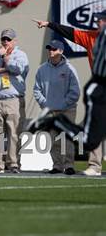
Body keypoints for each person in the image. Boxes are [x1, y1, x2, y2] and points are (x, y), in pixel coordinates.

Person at [31, 10, 106, 176]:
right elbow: (71, 33)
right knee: (96, 128)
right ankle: (95, 165)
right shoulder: (92, 37)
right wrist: (49, 24)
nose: (98, 22)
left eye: (101, 20)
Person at [0, 28, 29, 174]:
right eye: (3, 39)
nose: (5, 42)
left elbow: (19, 69)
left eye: (8, 39)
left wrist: (6, 60)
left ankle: (13, 163)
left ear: (15, 41)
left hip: (13, 100)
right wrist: (1, 69)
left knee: (14, 133)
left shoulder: (20, 55)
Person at [33, 39, 80, 175]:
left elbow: (75, 91)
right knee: (53, 139)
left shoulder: (69, 69)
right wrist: (45, 104)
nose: (51, 51)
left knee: (67, 138)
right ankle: (57, 165)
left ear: (61, 51)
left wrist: (63, 104)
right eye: (49, 49)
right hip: (50, 110)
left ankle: (69, 165)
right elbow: (37, 90)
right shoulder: (42, 69)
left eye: (54, 49)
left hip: (67, 109)